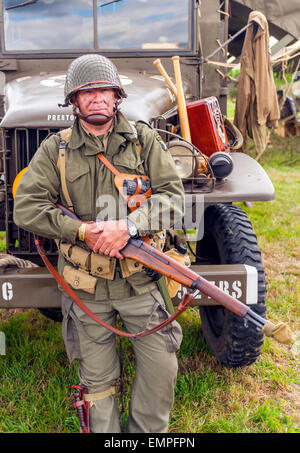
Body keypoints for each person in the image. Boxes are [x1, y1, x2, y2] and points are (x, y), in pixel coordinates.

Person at [13, 54, 185, 433]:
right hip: (85, 289)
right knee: (97, 386)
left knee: (160, 375)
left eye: (103, 90)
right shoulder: (55, 150)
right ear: (74, 102)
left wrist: (130, 226)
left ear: (116, 96)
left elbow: (174, 198)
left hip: (142, 282)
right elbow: (25, 209)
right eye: (86, 92)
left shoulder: (144, 141)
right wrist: (81, 232)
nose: (96, 98)